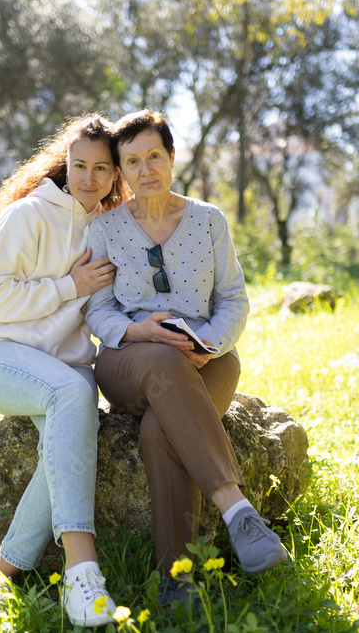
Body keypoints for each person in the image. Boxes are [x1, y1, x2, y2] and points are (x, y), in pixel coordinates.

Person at [85, 110, 288, 606]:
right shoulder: (105, 228)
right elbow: (97, 309)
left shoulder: (208, 220)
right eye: (131, 161)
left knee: (161, 428)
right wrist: (140, 329)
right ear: (121, 171)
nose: (145, 169)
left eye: (154, 155)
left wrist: (208, 346)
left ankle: (177, 579)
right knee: (161, 360)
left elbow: (234, 300)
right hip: (128, 360)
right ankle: (237, 508)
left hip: (208, 360)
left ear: (172, 158)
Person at [0, 114, 127, 627]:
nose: (89, 179)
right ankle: (83, 572)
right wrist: (67, 287)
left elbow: (111, 307)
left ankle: (3, 574)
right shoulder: (29, 214)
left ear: (115, 174)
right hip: (2, 357)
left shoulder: (106, 227)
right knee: (73, 397)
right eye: (80, 165)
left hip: (66, 370)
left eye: (102, 169)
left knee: (67, 441)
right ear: (65, 162)